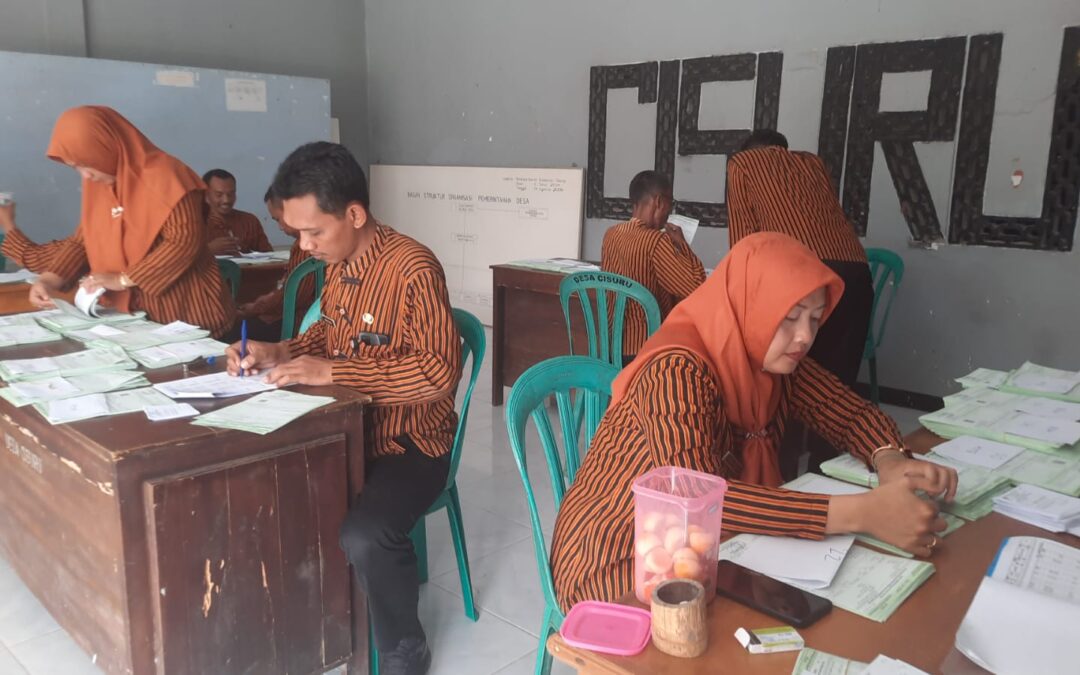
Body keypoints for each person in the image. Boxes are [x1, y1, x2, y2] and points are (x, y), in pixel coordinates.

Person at [549, 233, 957, 612]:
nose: (804, 337)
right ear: (749, 306)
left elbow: (850, 412)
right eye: (790, 317)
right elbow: (700, 500)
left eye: (815, 319)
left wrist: (889, 458)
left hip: (706, 545)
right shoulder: (676, 371)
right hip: (619, 557)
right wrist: (862, 513)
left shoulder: (772, 361)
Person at [225, 142, 461, 675]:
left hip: (410, 442)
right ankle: (317, 620)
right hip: (348, 429)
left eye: (313, 232)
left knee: (365, 533)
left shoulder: (413, 268)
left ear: (354, 214)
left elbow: (437, 372)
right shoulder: (338, 265)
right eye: (297, 234)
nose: (305, 246)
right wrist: (282, 351)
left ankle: (404, 647)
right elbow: (331, 332)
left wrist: (333, 373)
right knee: (275, 494)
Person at [8, 106, 234, 337]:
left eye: (86, 163)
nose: (85, 175)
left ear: (106, 147)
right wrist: (49, 280)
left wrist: (123, 279)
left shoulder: (167, 175)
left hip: (186, 313)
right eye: (75, 167)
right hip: (129, 319)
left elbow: (183, 242)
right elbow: (83, 241)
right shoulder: (99, 185)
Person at [727, 130, 874, 475]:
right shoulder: (813, 163)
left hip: (801, 275)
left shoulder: (743, 163)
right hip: (853, 275)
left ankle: (787, 473)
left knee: (789, 378)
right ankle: (828, 474)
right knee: (838, 383)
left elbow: (745, 241)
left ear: (751, 151)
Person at [600, 170, 705, 360]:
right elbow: (697, 287)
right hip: (646, 351)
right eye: (670, 203)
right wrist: (682, 245)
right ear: (659, 202)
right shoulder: (656, 241)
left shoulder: (610, 235)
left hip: (612, 347)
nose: (669, 211)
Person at [236, 187, 317, 341]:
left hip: (300, 321)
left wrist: (258, 307)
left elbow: (295, 296)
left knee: (235, 330)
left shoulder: (308, 246)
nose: (280, 227)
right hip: (292, 312)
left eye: (279, 219)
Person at [203, 168, 273, 255]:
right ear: (206, 195)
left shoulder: (249, 221)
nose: (226, 200)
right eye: (219, 195)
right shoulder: (194, 223)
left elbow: (269, 256)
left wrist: (243, 249)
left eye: (231, 194)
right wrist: (209, 249)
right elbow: (186, 257)